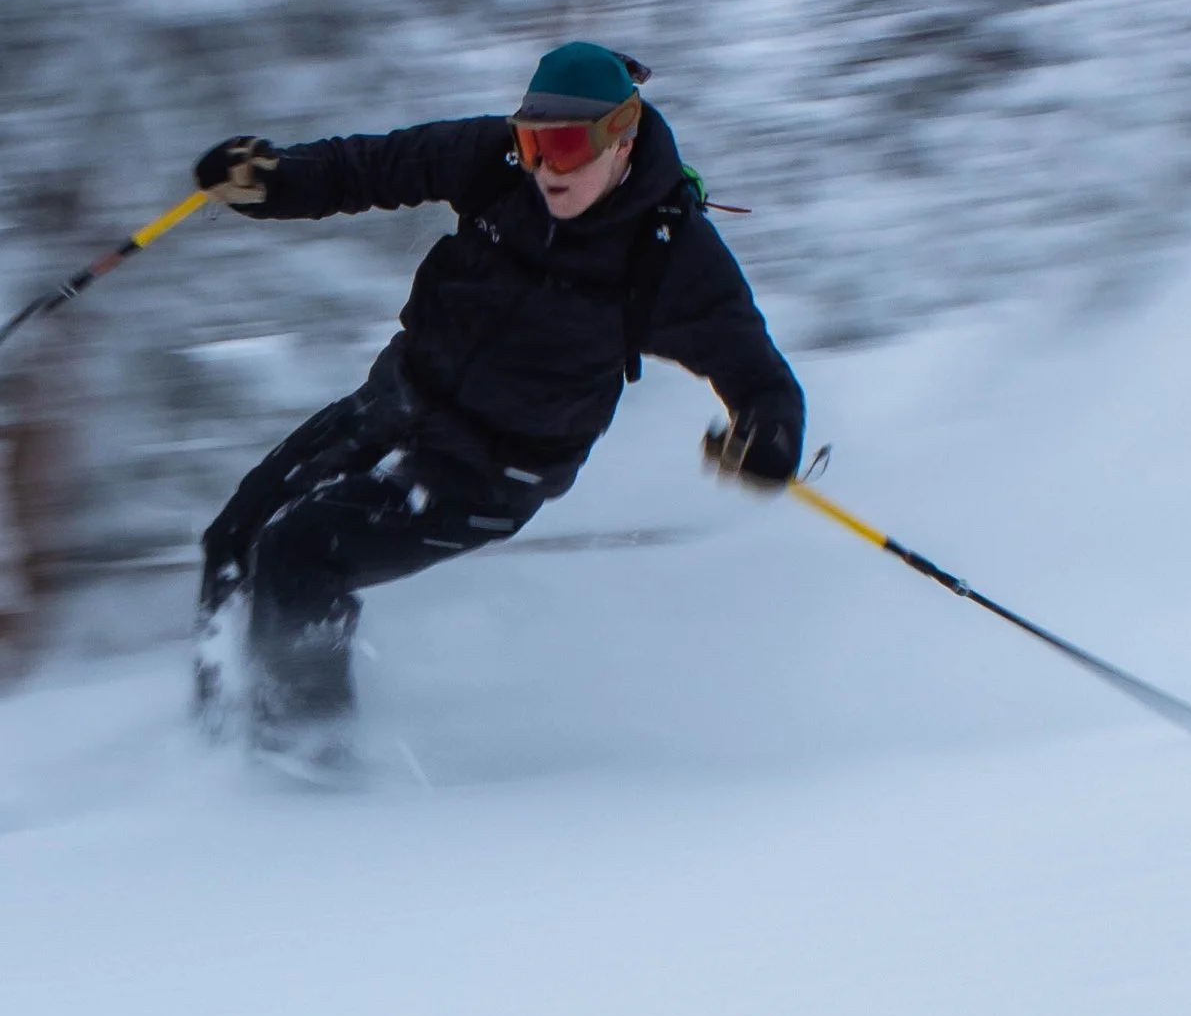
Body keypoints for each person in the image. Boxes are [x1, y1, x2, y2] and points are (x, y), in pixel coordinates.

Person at [189, 41, 804, 768]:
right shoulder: (498, 162)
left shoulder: (668, 251)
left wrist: (768, 437)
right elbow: (372, 166)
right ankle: (217, 737)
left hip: (491, 470)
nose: (545, 167)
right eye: (533, 142)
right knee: (235, 535)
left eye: (566, 146)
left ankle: (305, 767)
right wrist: (275, 181)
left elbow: (760, 377)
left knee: (298, 553)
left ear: (621, 137)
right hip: (399, 398)